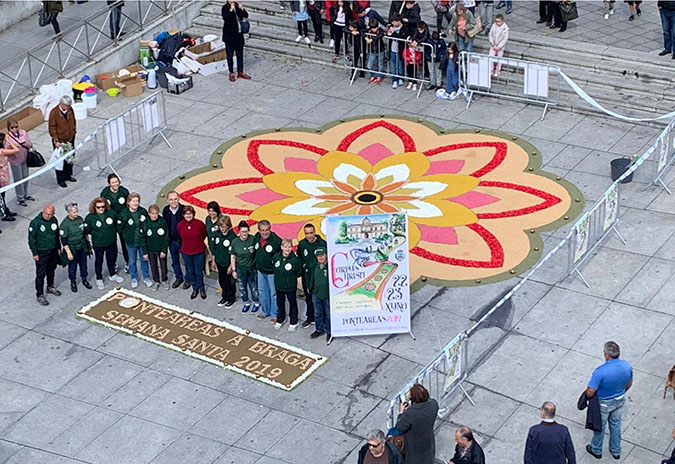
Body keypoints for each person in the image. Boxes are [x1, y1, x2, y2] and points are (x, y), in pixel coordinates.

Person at [585, 341, 633, 460]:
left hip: (604, 403)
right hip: (619, 400)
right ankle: (616, 451)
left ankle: (596, 449)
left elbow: (590, 391)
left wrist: (587, 396)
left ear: (607, 355)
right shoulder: (626, 366)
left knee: (599, 426)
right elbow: (629, 383)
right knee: (616, 425)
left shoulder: (600, 371)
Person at [84, 197, 124, 290]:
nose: (101, 208)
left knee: (111, 259)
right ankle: (99, 278)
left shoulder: (111, 213)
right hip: (99, 244)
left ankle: (112, 274)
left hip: (111, 241)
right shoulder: (90, 217)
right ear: (94, 207)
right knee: (99, 261)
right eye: (98, 207)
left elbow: (117, 225)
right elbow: (87, 230)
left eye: (102, 206)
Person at [394, 383, 439, 464]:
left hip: (413, 443)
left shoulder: (411, 413)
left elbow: (399, 427)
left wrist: (401, 413)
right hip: (428, 440)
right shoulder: (433, 404)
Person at [29, 204, 62, 306]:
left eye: (50, 214)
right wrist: (34, 253)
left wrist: (58, 247)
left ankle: (50, 286)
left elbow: (57, 235)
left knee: (51, 269)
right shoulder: (36, 223)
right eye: (46, 214)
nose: (47, 216)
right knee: (40, 274)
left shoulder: (54, 220)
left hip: (52, 250)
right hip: (41, 252)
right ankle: (39, 294)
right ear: (43, 211)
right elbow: (31, 239)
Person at [117, 192, 152, 289]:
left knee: (144, 260)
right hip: (131, 242)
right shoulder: (124, 214)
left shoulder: (143, 211)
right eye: (133, 201)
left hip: (142, 242)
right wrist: (127, 235)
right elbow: (120, 228)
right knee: (132, 261)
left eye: (137, 201)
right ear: (128, 202)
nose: (135, 203)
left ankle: (146, 277)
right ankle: (134, 278)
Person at [297, 223, 327, 329]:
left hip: (320, 277)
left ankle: (324, 322)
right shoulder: (302, 244)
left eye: (311, 233)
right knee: (308, 298)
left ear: (315, 232)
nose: (309, 236)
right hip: (307, 276)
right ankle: (310, 317)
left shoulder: (322, 244)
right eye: (307, 233)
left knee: (322, 300)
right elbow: (299, 257)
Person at [176, 205, 207, 300]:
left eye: (190, 214)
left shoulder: (199, 224)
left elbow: (204, 234)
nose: (188, 215)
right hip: (186, 252)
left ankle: (201, 289)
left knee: (198, 272)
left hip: (199, 252)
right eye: (186, 214)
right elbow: (180, 236)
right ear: (183, 215)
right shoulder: (180, 225)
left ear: (193, 214)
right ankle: (195, 288)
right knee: (190, 271)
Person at [272, 238, 303, 331]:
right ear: (282, 247)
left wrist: (290, 279)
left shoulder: (295, 260)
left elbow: (299, 272)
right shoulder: (276, 257)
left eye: (289, 247)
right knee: (280, 303)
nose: (287, 249)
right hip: (279, 285)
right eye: (285, 247)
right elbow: (274, 268)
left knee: (292, 303)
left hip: (290, 287)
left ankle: (294, 321)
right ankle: (281, 319)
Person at [101, 174, 129, 272]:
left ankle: (128, 262)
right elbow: (102, 207)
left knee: (125, 242)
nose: (115, 184)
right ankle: (113, 263)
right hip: (111, 222)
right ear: (109, 183)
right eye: (113, 182)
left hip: (122, 221)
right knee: (112, 244)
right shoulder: (105, 193)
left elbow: (128, 206)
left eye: (116, 181)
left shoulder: (124, 191)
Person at [229, 220, 259, 313]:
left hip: (251, 268)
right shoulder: (235, 242)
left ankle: (256, 302)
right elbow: (233, 256)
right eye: (242, 232)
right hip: (240, 268)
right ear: (239, 232)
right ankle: (246, 302)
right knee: (242, 287)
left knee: (253, 287)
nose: (244, 234)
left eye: (246, 231)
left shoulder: (253, 239)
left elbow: (258, 252)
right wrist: (233, 270)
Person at [254, 219, 281, 322]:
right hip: (261, 270)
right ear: (259, 230)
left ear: (270, 229)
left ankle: (275, 313)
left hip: (272, 272)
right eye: (262, 230)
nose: (265, 232)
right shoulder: (257, 237)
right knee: (263, 291)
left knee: (273, 294)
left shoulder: (276, 240)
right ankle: (265, 311)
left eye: (267, 230)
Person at [60, 202, 90, 293]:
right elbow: (64, 240)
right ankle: (73, 282)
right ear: (69, 213)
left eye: (76, 211)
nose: (76, 214)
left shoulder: (80, 219)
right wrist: (68, 252)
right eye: (74, 212)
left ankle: (84, 279)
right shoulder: (65, 224)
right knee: (72, 266)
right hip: (72, 247)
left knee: (83, 264)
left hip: (81, 245)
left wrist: (88, 243)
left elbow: (84, 233)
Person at [5, 118, 35, 207]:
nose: (15, 129)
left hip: (25, 158)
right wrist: (13, 147)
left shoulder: (23, 132)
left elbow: (30, 143)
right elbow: (6, 149)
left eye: (16, 126)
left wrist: (25, 144)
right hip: (15, 160)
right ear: (9, 128)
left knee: (25, 177)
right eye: (12, 127)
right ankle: (20, 198)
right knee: (18, 179)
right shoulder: (8, 137)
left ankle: (25, 194)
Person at [48, 95, 77, 188]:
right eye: (67, 106)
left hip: (70, 138)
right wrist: (56, 140)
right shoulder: (54, 113)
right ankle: (61, 179)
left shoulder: (70, 110)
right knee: (60, 160)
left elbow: (73, 121)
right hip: (60, 140)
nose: (69, 108)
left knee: (69, 158)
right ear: (62, 104)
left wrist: (73, 132)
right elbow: (52, 128)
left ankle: (68, 175)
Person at [210, 215, 237, 308]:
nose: (222, 228)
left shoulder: (233, 237)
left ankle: (231, 298)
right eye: (221, 226)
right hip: (219, 262)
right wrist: (213, 260)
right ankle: (224, 297)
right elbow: (214, 248)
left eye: (224, 226)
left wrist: (231, 266)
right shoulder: (217, 234)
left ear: (229, 226)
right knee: (222, 281)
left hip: (228, 264)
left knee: (229, 282)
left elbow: (234, 254)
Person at [142, 204, 170, 291]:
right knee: (153, 266)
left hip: (161, 249)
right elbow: (143, 238)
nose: (154, 215)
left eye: (156, 213)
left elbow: (166, 236)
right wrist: (145, 252)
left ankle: (164, 280)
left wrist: (164, 250)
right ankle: (156, 281)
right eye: (152, 213)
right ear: (149, 213)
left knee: (163, 265)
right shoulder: (145, 223)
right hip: (150, 250)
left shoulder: (162, 222)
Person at [221, 0, 251, 82]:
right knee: (229, 55)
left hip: (238, 35)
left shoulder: (237, 5)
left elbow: (245, 15)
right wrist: (231, 10)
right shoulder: (225, 7)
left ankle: (240, 72)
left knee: (240, 54)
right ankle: (231, 72)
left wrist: (242, 9)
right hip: (229, 36)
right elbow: (226, 18)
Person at [162, 190, 186, 288]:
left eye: (175, 199)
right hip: (172, 241)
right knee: (175, 261)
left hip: (183, 241)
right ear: (167, 200)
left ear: (179, 199)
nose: (173, 201)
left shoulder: (184, 209)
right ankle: (179, 277)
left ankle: (189, 279)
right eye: (171, 200)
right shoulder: (166, 210)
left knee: (187, 261)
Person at [308, 248, 330, 341]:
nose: (320, 257)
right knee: (317, 313)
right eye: (318, 256)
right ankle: (319, 329)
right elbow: (310, 276)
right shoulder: (314, 266)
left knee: (328, 313)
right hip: (316, 293)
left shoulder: (329, 267)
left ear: (326, 255)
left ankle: (329, 331)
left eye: (322, 255)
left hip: (327, 294)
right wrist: (310, 286)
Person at [0, 133, 19, 222]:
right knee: (1, 197)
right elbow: (16, 149)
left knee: (3, 196)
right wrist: (8, 140)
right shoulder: (2, 151)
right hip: (1, 177)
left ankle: (5, 210)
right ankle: (4, 213)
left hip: (3, 175)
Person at [387, 14, 405, 89]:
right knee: (393, 66)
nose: (393, 24)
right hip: (392, 49)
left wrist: (393, 33)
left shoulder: (404, 28)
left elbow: (403, 37)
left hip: (400, 50)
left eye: (394, 22)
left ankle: (401, 78)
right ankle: (394, 80)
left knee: (400, 65)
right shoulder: (391, 27)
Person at [365, 18, 385, 84]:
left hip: (380, 50)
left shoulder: (380, 30)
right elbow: (363, 32)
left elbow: (380, 35)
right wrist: (366, 37)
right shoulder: (369, 30)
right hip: (372, 51)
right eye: (372, 28)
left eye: (375, 28)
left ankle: (379, 76)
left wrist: (372, 39)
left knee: (380, 64)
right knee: (369, 65)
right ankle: (373, 75)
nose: (373, 30)